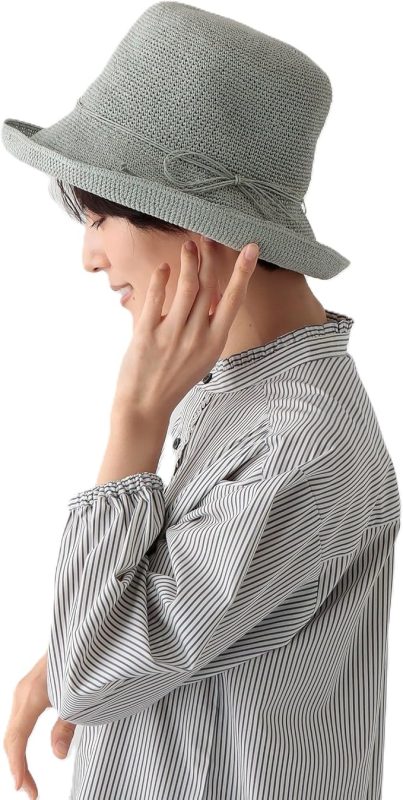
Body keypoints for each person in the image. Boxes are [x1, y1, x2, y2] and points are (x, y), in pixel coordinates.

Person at [2, 4, 401, 799]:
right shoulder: (239, 393)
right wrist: (63, 656)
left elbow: (93, 680)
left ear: (197, 230)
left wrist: (133, 424)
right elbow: (179, 618)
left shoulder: (300, 441)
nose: (88, 256)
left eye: (99, 216)